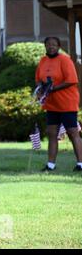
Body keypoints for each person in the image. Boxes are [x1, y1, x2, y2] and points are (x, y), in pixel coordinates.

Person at [35, 37, 82, 172]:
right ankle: (51, 165)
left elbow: (72, 80)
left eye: (54, 45)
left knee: (73, 132)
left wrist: (52, 88)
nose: (51, 47)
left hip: (67, 103)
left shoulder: (65, 60)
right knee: (52, 133)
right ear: (45, 46)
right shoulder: (43, 61)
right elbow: (38, 79)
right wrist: (41, 88)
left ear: (59, 46)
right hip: (51, 104)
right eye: (48, 45)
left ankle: (80, 164)